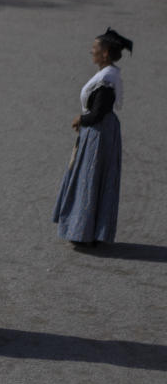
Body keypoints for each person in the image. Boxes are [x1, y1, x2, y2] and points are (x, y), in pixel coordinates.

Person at [52, 28, 131, 246]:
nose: (91, 51)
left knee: (90, 178)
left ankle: (83, 231)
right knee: (96, 179)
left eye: (95, 48)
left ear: (105, 53)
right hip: (102, 132)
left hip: (99, 135)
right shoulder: (109, 74)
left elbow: (98, 113)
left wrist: (80, 119)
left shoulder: (106, 80)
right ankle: (91, 231)